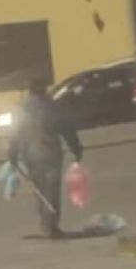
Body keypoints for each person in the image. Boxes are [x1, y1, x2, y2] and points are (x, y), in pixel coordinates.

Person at [7, 79, 83, 238]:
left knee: (40, 190)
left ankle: (45, 223)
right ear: (44, 89)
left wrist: (12, 154)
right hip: (50, 153)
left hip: (29, 155)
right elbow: (66, 128)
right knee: (52, 190)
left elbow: (14, 133)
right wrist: (76, 148)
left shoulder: (21, 108)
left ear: (30, 90)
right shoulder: (52, 106)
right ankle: (52, 225)